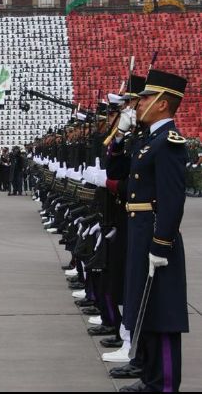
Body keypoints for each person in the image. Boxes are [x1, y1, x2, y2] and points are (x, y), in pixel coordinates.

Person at [108, 69, 188, 393]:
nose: (138, 104)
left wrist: (161, 244)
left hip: (156, 236)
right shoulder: (149, 140)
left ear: (162, 104)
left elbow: (172, 200)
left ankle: (165, 384)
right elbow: (117, 170)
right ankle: (152, 378)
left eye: (144, 98)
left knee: (163, 315)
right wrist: (117, 138)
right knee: (146, 309)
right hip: (140, 232)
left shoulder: (169, 143)